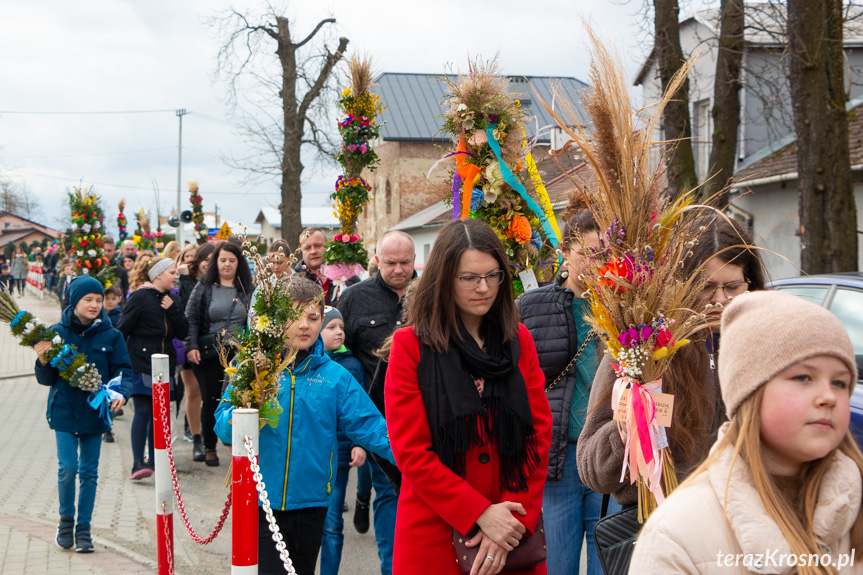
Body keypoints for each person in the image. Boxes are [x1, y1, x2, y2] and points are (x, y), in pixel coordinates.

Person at [628, 290, 863, 574]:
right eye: (803, 377)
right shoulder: (676, 535)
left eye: (840, 382)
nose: (828, 396)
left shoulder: (856, 509)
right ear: (749, 393)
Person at [385, 219, 553, 575]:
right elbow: (411, 451)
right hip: (436, 532)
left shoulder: (518, 339)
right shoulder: (411, 346)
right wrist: (477, 513)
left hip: (511, 532)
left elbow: (537, 434)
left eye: (493, 276)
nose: (484, 288)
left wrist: (510, 520)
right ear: (444, 279)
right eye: (469, 278)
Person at [577, 215, 768, 505]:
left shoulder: (766, 345)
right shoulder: (645, 345)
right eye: (705, 287)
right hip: (663, 524)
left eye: (732, 286)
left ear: (750, 282)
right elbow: (592, 469)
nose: (719, 299)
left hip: (746, 521)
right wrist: (629, 430)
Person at [214, 277, 396, 575]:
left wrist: (417, 456)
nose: (304, 325)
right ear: (274, 319)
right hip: (260, 501)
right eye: (293, 316)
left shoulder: (335, 377)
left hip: (312, 502)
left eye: (312, 318)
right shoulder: (254, 369)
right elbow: (222, 428)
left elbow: (373, 428)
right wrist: (246, 406)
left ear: (322, 319)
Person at [515, 202, 618, 575]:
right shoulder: (531, 306)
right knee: (557, 560)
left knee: (607, 557)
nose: (595, 263)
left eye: (604, 254)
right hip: (559, 454)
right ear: (564, 253)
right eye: (586, 254)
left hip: (609, 447)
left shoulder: (625, 304)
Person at [33, 275, 132, 553]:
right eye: (88, 299)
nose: (95, 305)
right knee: (68, 468)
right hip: (64, 410)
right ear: (74, 301)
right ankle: (65, 522)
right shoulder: (55, 334)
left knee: (89, 472)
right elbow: (45, 379)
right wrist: (42, 360)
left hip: (94, 414)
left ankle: (84, 529)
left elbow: (124, 370)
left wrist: (121, 394)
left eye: (99, 300)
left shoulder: (112, 336)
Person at [337, 230, 415, 569]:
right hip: (376, 416)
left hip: (424, 412)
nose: (399, 270)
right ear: (377, 260)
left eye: (405, 263)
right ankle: (392, 566)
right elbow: (341, 355)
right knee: (390, 491)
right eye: (390, 263)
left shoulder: (431, 292)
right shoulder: (354, 299)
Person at [118, 258, 187, 479]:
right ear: (158, 275)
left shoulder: (173, 299)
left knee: (161, 413)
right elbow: (122, 329)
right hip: (141, 362)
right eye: (172, 272)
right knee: (144, 410)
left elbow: (183, 332)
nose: (176, 276)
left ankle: (155, 461)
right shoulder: (140, 297)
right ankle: (138, 463)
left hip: (165, 366)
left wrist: (174, 309)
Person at [185, 241, 251, 467]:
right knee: (211, 399)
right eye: (223, 260)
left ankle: (237, 444)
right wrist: (191, 346)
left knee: (240, 399)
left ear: (238, 262)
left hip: (240, 353)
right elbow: (192, 317)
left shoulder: (247, 289)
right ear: (216, 261)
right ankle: (210, 446)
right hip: (209, 353)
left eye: (232, 260)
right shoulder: (204, 287)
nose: (227, 264)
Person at [319, 305, 368, 575]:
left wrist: (359, 443)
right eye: (331, 327)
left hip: (338, 457)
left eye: (341, 327)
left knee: (332, 524)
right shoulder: (302, 365)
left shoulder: (352, 365)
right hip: (310, 457)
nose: (339, 332)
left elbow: (359, 410)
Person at [294, 227, 358, 305]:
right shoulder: (295, 284)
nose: (313, 251)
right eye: (307, 248)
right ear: (301, 251)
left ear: (327, 246)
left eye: (318, 246)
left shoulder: (348, 276)